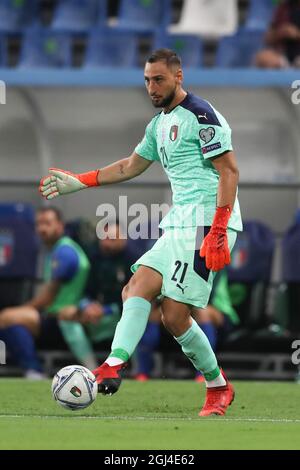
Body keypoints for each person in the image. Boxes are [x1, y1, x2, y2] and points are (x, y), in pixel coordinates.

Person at [39, 48, 243, 417]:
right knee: (136, 286)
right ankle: (114, 364)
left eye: (159, 79)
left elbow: (229, 171)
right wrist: (80, 181)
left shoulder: (201, 115)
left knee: (175, 316)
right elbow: (131, 166)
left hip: (207, 223)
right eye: (147, 80)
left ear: (178, 77)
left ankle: (218, 387)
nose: (151, 87)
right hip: (179, 222)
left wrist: (216, 229)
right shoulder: (158, 125)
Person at [60, 221, 161, 380]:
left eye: (112, 239)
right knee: (66, 318)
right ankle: (92, 371)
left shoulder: (136, 260)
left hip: (124, 316)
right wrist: (87, 306)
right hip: (98, 318)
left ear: (123, 239)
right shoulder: (93, 257)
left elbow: (141, 298)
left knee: (147, 319)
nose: (107, 243)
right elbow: (85, 292)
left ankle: (140, 372)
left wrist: (106, 310)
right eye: (104, 238)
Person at [0, 207, 93, 375]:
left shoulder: (65, 252)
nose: (42, 228)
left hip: (64, 320)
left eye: (47, 223)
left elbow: (47, 298)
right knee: (13, 326)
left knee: (7, 317)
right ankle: (31, 368)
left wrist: (23, 309)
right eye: (39, 224)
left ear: (60, 226)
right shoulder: (56, 250)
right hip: (56, 318)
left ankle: (33, 368)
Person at [255, 0, 300, 68]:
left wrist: (296, 34)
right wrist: (279, 33)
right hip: (283, 56)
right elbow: (267, 39)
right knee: (262, 58)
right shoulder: (283, 8)